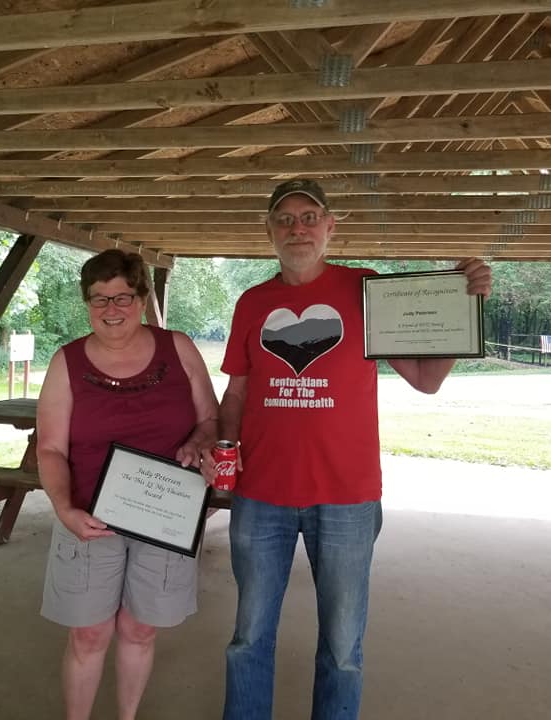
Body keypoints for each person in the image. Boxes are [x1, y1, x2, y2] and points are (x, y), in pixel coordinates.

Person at [201, 178, 492, 720]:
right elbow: (237, 389)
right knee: (248, 638)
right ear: (268, 231)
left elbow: (426, 379)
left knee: (342, 650)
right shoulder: (253, 302)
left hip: (347, 498)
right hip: (261, 493)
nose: (297, 228)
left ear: (331, 227)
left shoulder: (366, 289)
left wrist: (463, 307)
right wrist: (223, 448)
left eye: (309, 216)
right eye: (284, 218)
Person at [35, 248, 218, 720]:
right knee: (89, 633)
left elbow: (211, 419)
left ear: (142, 299)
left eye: (122, 297)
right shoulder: (67, 362)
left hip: (166, 516)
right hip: (88, 515)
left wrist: (201, 441)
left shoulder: (178, 348)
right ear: (87, 304)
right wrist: (62, 509)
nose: (111, 309)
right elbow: (51, 449)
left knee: (140, 629)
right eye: (99, 299)